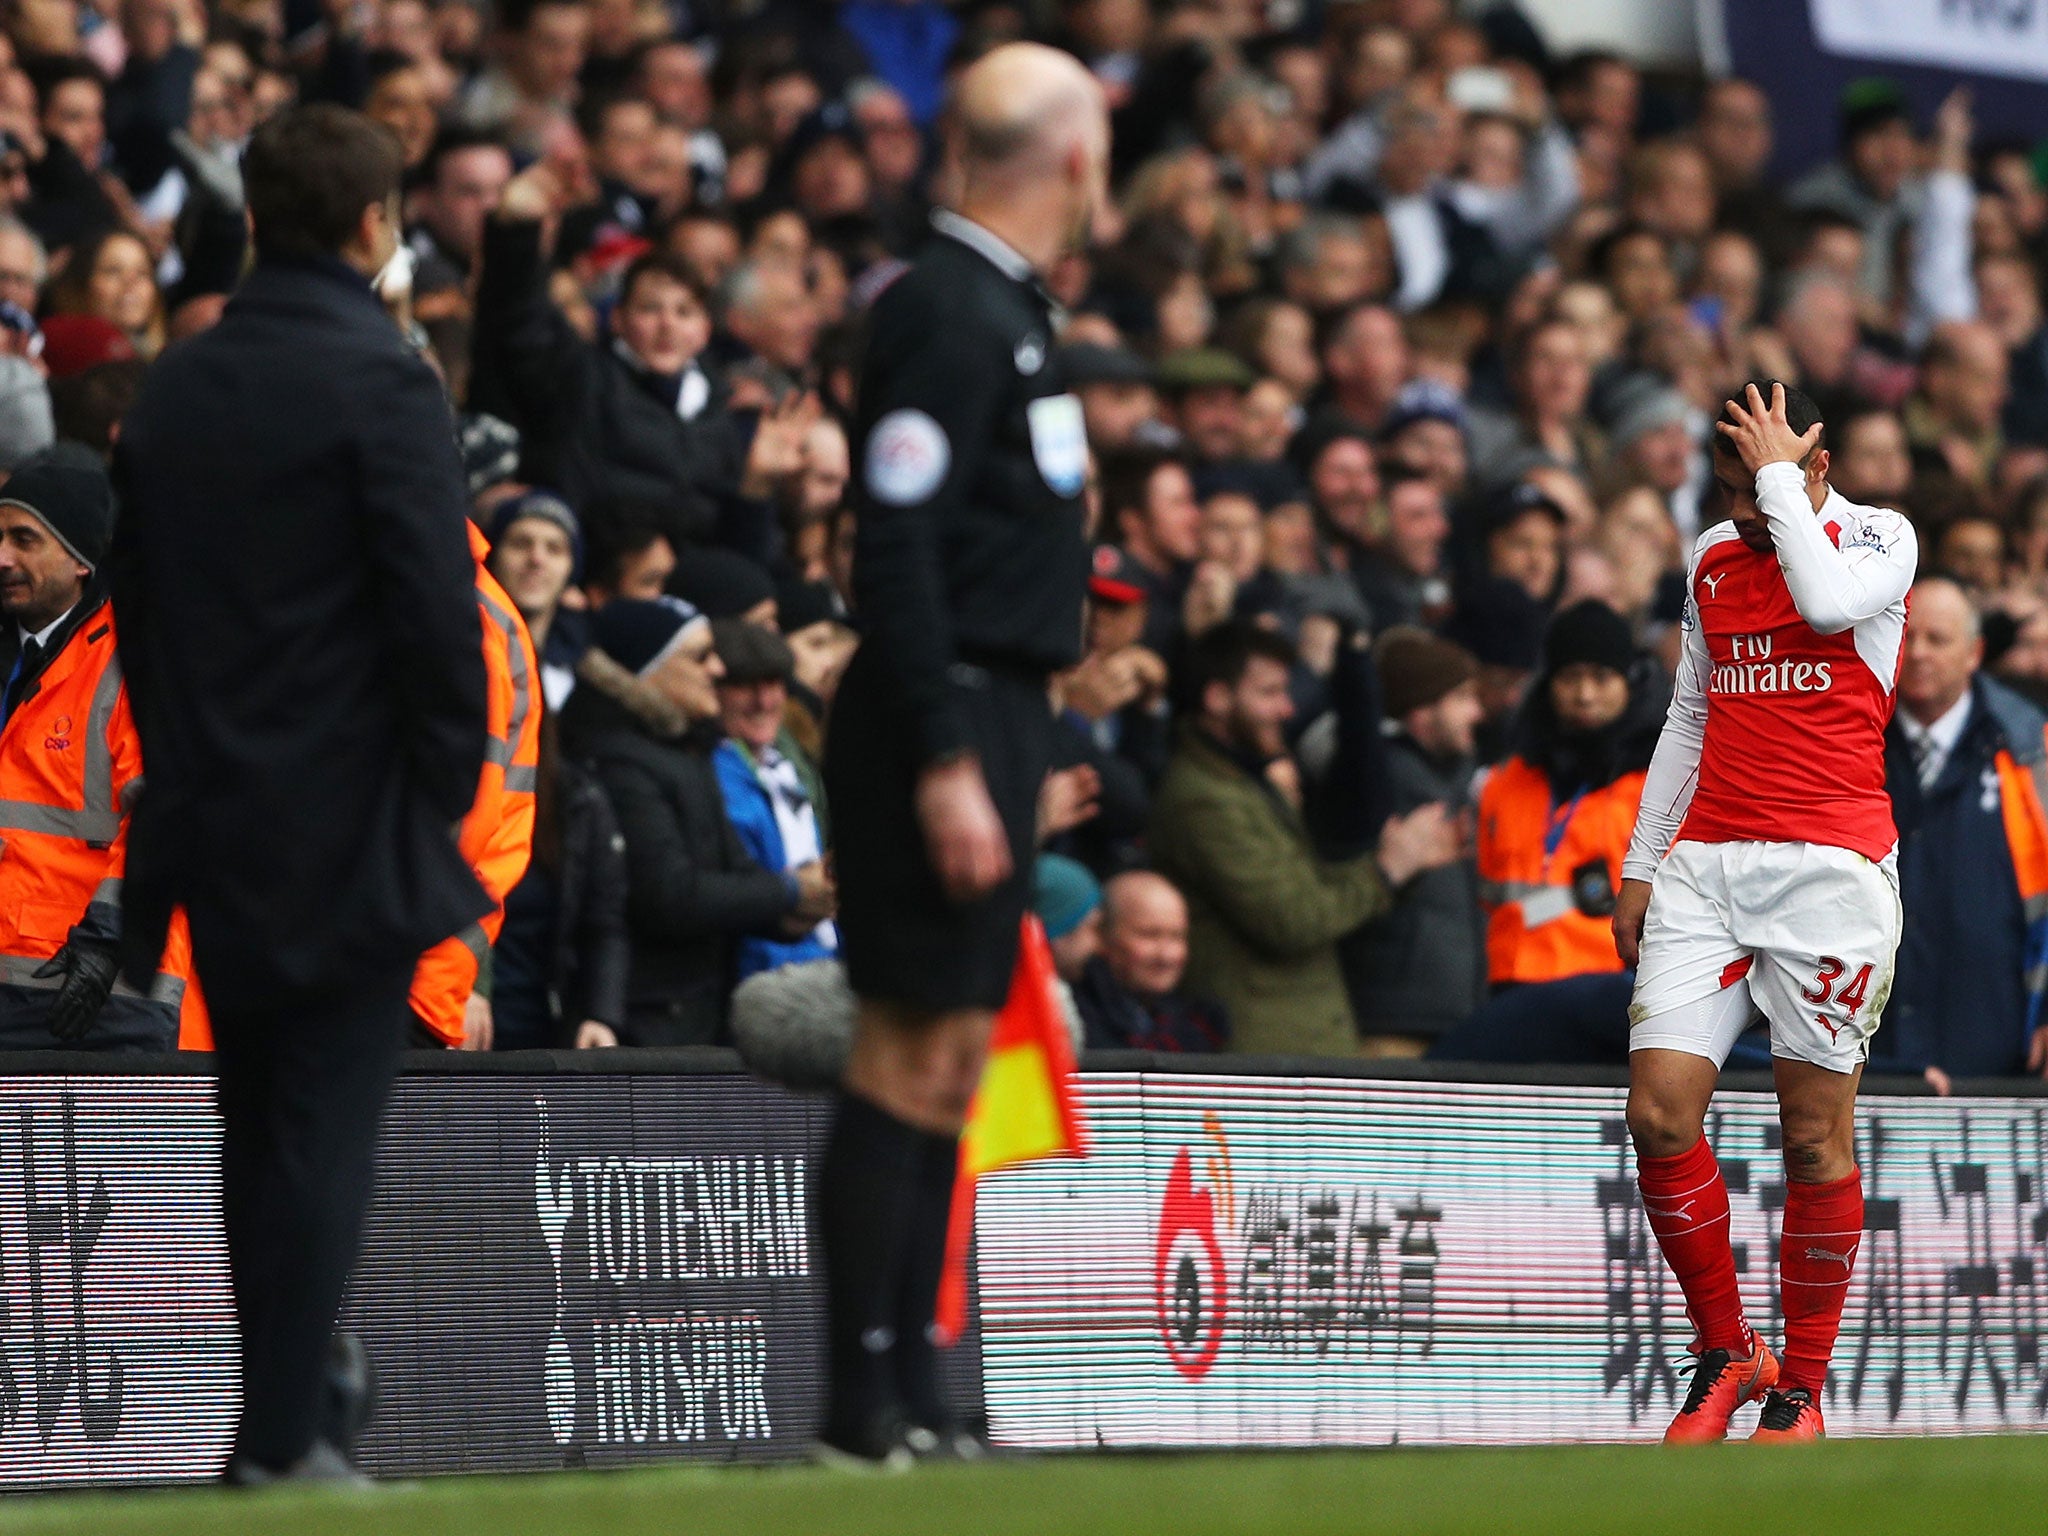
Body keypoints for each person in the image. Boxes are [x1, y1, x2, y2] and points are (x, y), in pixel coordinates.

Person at [110, 106, 491, 1482]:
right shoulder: (383, 383)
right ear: (377, 224)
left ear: (262, 214)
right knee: (322, 1125)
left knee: (256, 1121)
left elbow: (137, 618)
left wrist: (189, 764)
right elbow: (436, 619)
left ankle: (275, 1422)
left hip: (210, 809)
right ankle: (279, 1437)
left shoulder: (176, 386)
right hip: (351, 819)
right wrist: (440, 789)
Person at [815, 42, 1108, 1466]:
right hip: (938, 712)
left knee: (948, 1062)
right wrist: (943, 755)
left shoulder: (1010, 310)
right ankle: (858, 1402)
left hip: (998, 710)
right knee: (905, 1046)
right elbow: (899, 541)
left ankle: (919, 1397)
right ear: (1072, 158)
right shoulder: (944, 307)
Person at [1611, 382, 1917, 1445]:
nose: (1740, 511)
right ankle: (1724, 1352)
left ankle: (1802, 1387)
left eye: (1757, 487)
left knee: (1808, 1133)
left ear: (1811, 468)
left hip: (1831, 874)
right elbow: (1686, 714)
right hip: (1708, 864)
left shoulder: (1880, 537)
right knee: (1654, 1112)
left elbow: (1828, 604)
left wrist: (1779, 485)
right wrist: (1642, 862)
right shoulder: (1710, 557)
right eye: (1728, 489)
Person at [1147, 622, 1458, 1058]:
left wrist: (1398, 863)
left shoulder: (1245, 782)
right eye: (1269, 692)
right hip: (1263, 1057)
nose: (1287, 708)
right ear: (1218, 698)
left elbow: (1311, 888)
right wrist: (1388, 869)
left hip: (1302, 1043)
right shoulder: (1201, 800)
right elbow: (1292, 918)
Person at [563, 595, 833, 1043]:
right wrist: (789, 890)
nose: (717, 670)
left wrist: (800, 907)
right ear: (647, 667)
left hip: (697, 1014)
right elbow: (668, 894)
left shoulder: (688, 750)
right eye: (700, 656)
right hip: (642, 1023)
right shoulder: (619, 760)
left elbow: (736, 870)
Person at [0, 445, 190, 1050]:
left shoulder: (136, 660)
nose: (1, 558)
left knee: (116, 1147)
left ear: (81, 558)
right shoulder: (16, 655)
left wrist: (107, 940)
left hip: (102, 998)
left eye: (25, 539)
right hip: (22, 985)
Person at [1436, 601, 1660, 1065]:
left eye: (1601, 677)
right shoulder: (1503, 782)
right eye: (1570, 677)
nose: (1584, 694)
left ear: (1629, 682)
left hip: (1609, 1001)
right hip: (1510, 992)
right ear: (1548, 683)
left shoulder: (1658, 787)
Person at [1882, 576, 2048, 1085]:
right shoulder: (1851, 745)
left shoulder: (2032, 752)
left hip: (1999, 1063)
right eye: (1907, 637)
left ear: (1974, 653)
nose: (1918, 653)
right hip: (1870, 1061)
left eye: (1938, 639)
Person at [407, 518, 543, 1050]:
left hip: (385, 982)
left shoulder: (464, 608)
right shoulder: (488, 609)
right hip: (407, 980)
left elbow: (481, 829)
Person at [1342, 627, 1486, 1057]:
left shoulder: (1462, 779)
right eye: (1461, 698)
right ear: (1421, 711)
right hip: (1393, 1023)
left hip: (1462, 1015)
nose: (1476, 712)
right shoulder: (1373, 781)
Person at [710, 618, 836, 980]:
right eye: (745, 686)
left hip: (819, 959)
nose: (764, 701)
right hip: (760, 977)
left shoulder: (787, 765)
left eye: (774, 683)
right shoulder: (710, 772)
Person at [1073, 869, 1229, 1053]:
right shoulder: (1074, 1020)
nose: (1167, 956)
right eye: (1149, 935)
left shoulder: (1200, 1024)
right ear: (1103, 935)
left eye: (1177, 936)